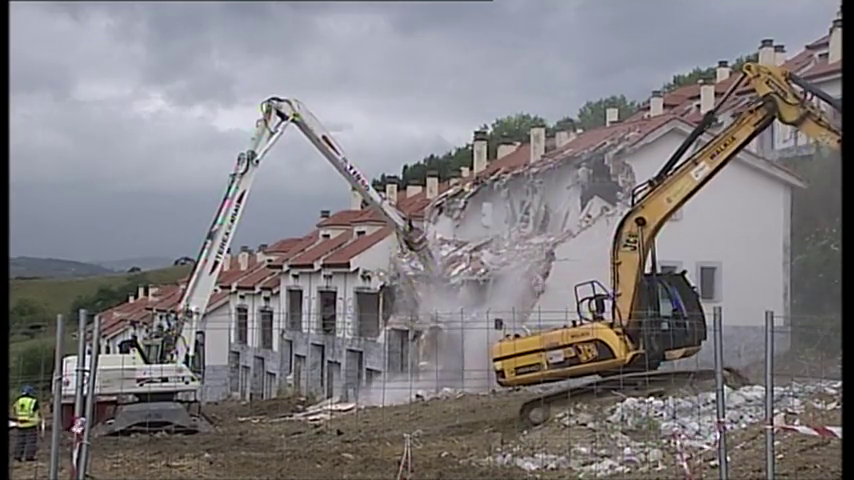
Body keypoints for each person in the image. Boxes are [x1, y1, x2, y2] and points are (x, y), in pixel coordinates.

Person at [12, 385, 41, 462]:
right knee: (31, 441)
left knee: (20, 441)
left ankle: (18, 456)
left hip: (20, 423)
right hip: (31, 423)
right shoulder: (33, 401)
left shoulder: (18, 400)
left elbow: (15, 411)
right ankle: (29, 456)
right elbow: (37, 411)